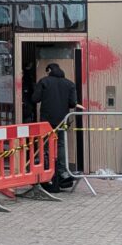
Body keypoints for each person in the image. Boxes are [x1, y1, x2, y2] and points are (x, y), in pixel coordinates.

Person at [30, 63, 83, 192]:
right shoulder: (69, 84)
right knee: (61, 145)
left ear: (49, 71)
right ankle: (62, 172)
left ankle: (47, 171)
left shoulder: (44, 82)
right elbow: (72, 103)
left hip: (46, 121)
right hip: (62, 120)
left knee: (46, 145)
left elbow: (35, 99)